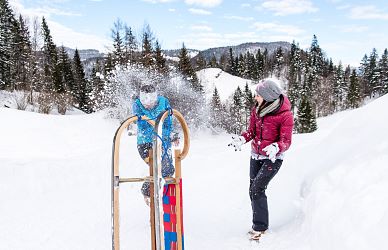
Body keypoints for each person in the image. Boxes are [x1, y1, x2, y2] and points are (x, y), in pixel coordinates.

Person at [228, 78, 294, 240]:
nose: (255, 97)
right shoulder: (257, 110)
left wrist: (277, 147)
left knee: (257, 189)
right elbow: (251, 131)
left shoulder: (285, 115)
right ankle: (259, 224)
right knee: (253, 190)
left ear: (268, 96)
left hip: (273, 158)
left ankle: (260, 227)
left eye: (258, 95)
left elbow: (286, 140)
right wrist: (242, 139)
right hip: (256, 155)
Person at [132, 84, 179, 205]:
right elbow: (143, 128)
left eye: (151, 99)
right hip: (145, 143)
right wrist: (162, 133)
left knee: (168, 170)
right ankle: (148, 192)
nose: (147, 104)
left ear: (156, 97)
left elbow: (168, 123)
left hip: (162, 141)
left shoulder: (163, 102)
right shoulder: (137, 105)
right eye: (144, 100)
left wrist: (171, 135)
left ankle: (167, 202)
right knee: (157, 166)